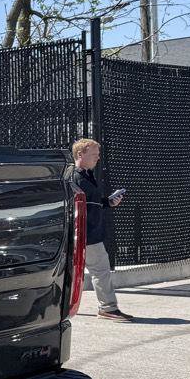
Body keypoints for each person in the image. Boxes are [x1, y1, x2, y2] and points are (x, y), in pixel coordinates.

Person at [70, 138, 132, 322]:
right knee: (100, 271)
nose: (98, 158)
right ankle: (108, 308)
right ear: (80, 155)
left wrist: (108, 202)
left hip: (86, 234)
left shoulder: (84, 175)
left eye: (98, 154)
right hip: (87, 235)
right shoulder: (76, 178)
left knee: (76, 273)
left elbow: (89, 203)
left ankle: (64, 308)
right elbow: (76, 207)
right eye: (94, 154)